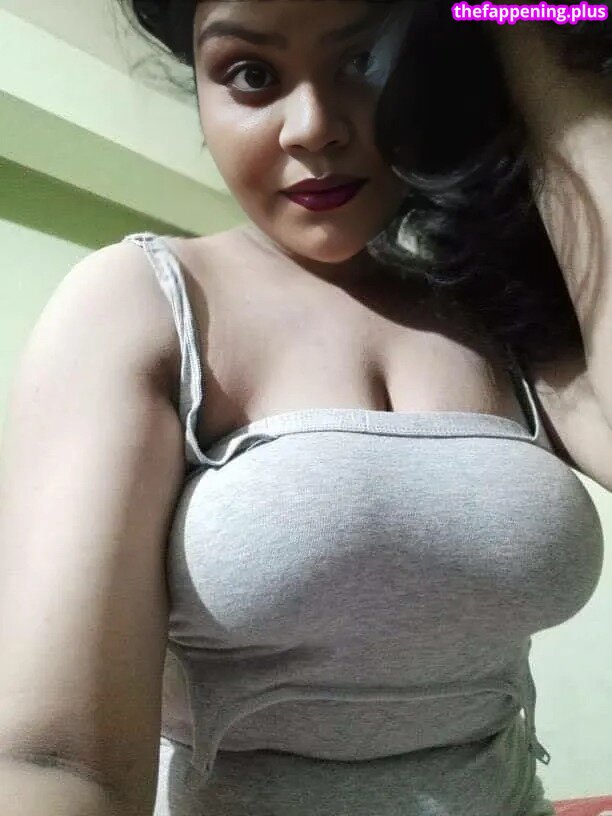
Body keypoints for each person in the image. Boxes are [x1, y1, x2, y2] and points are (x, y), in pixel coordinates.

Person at [0, 2, 610, 815]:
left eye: (364, 62)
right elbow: (55, 759)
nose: (313, 128)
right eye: (252, 74)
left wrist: (525, 30)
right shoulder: (143, 302)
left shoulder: (492, 308)